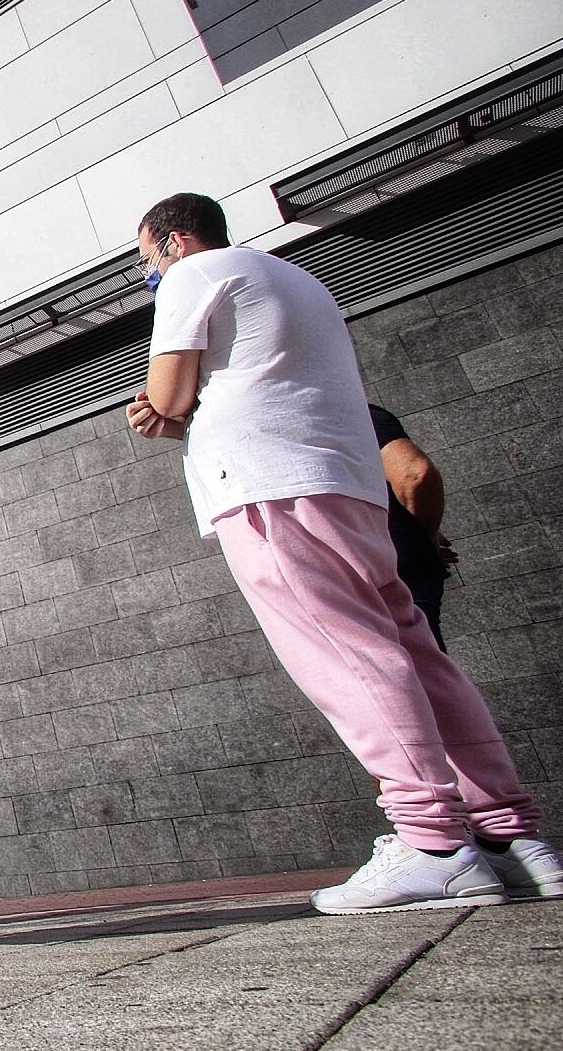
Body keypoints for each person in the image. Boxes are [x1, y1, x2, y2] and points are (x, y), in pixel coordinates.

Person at [126, 191, 562, 913]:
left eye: (145, 262)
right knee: (417, 653)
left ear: (172, 241)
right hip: (347, 483)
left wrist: (157, 410)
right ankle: (508, 837)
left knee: (346, 653)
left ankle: (433, 844)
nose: (148, 276)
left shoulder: (193, 278)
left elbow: (167, 399)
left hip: (268, 487)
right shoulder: (298, 279)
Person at [369, 404, 458, 650]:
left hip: (392, 577)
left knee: (419, 679)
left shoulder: (353, 414)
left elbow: (415, 474)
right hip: (386, 575)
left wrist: (424, 540)